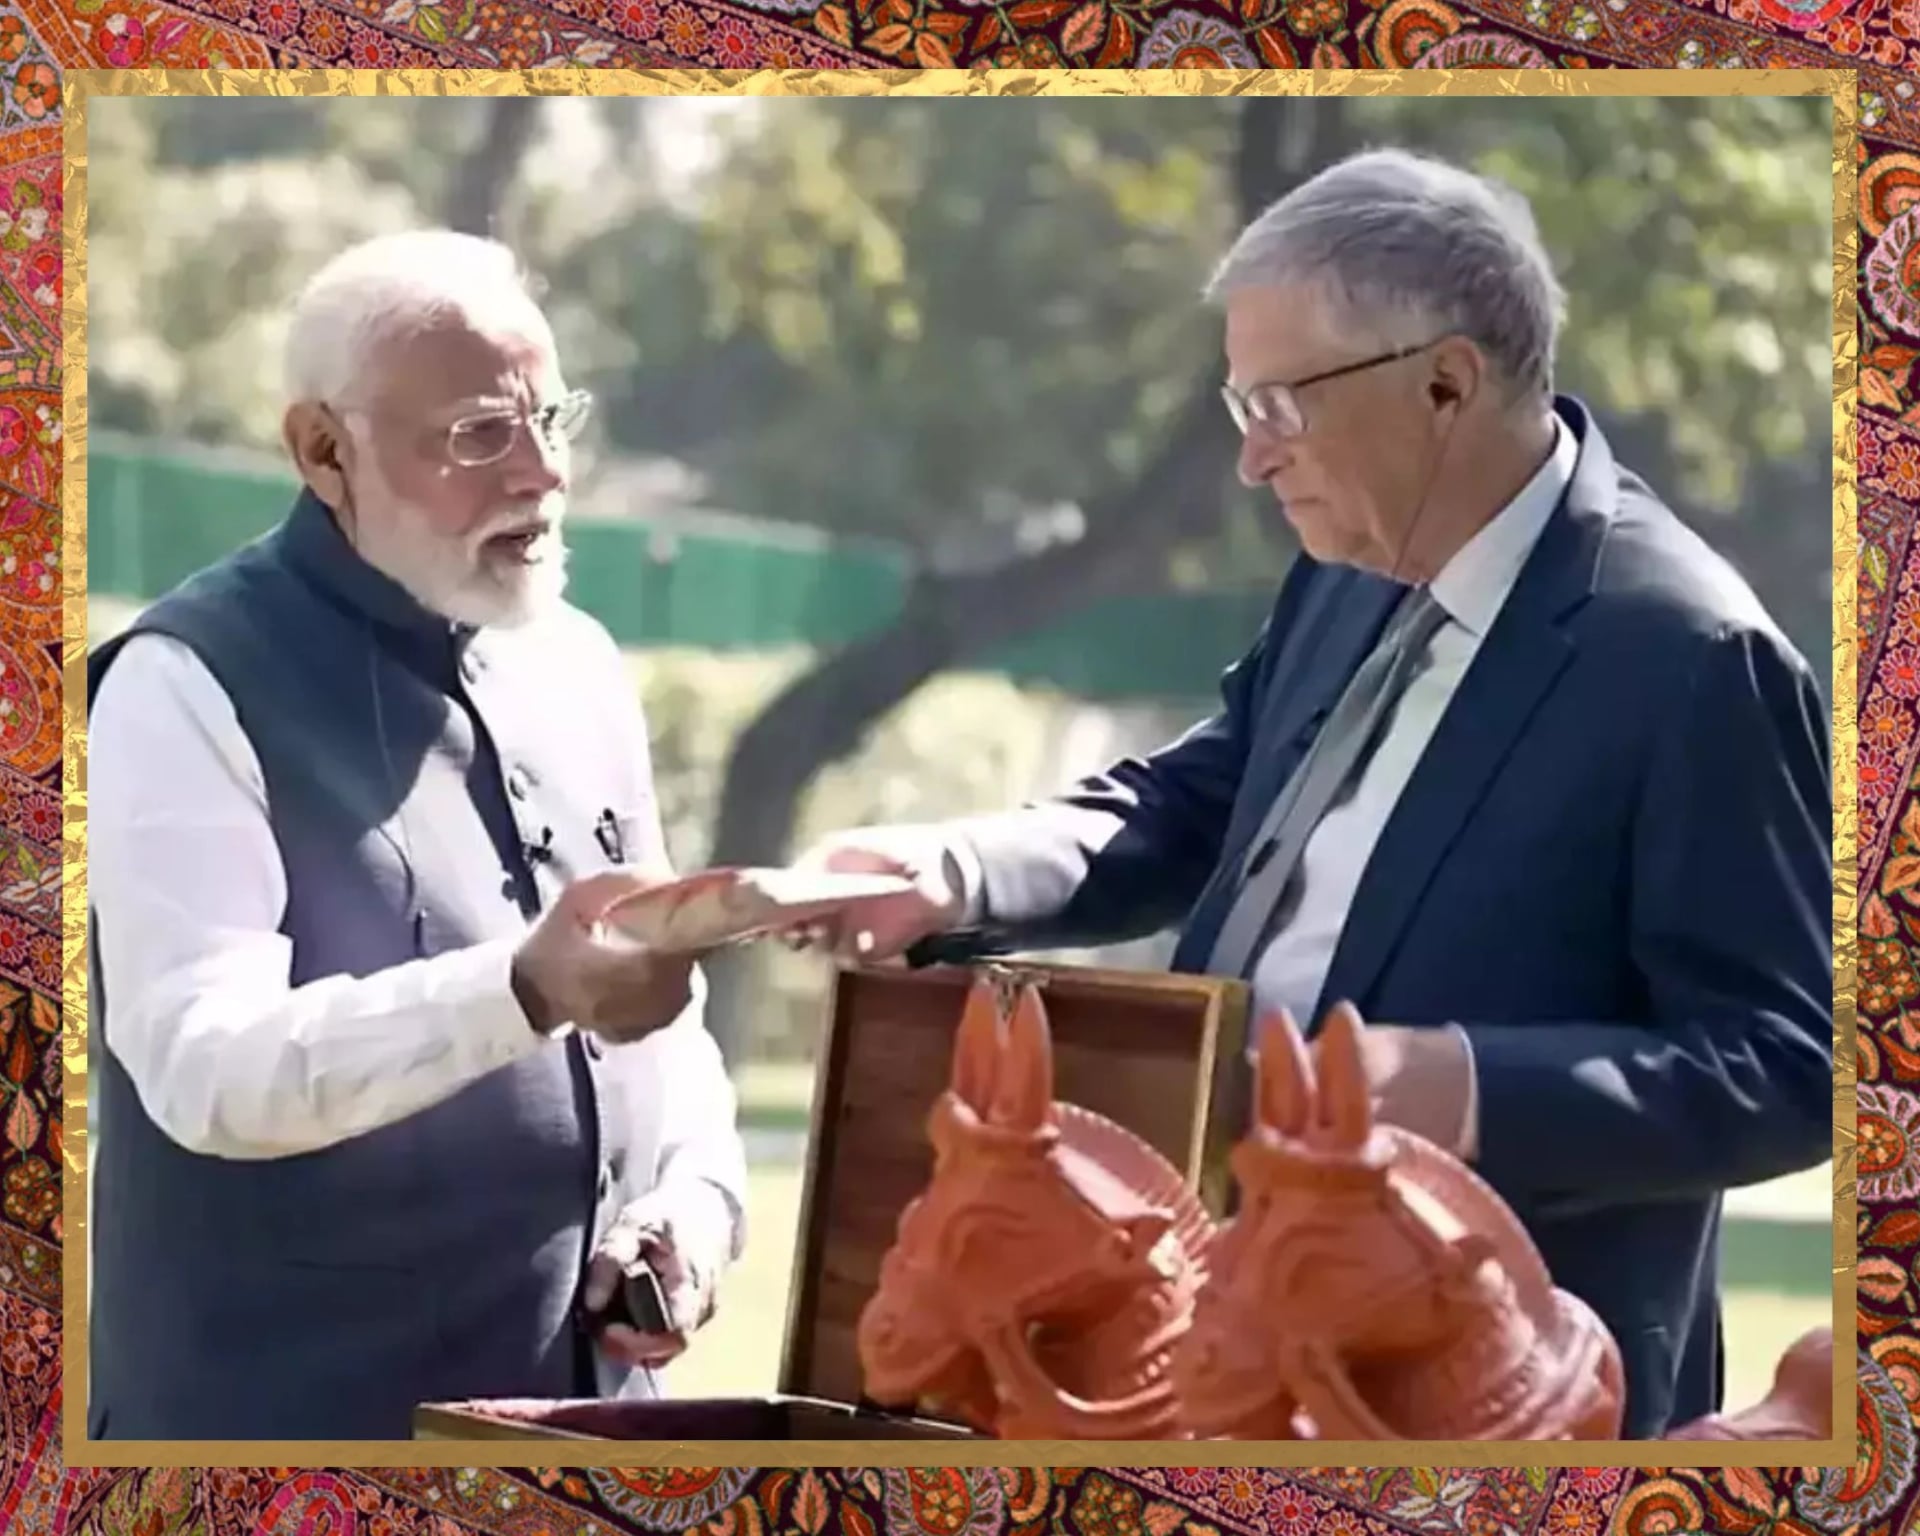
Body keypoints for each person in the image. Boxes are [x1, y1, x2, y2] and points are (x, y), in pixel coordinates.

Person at [794, 149, 1833, 1439]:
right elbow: (1192, 802)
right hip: (1222, 1368)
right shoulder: (1345, 566)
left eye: (1275, 407)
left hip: (1492, 1409)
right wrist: (951, 875)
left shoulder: (1693, 659)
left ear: (1445, 382)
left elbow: (1790, 1068)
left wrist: (1445, 1086)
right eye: (1240, 410)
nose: (1251, 463)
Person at [85, 229, 747, 1441]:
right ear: (323, 450)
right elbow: (202, 1064)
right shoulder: (185, 682)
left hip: (575, 1446)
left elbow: (664, 1012)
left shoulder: (578, 662)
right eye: (478, 434)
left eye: (553, 420)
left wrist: (695, 1207)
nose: (541, 474)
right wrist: (520, 988)